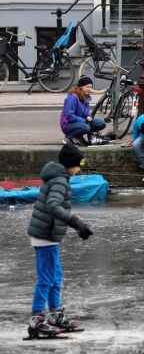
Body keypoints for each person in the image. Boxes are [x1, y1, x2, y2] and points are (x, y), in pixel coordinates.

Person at [27, 143, 93, 337]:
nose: (79, 169)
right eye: (78, 164)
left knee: (55, 276)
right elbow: (52, 206)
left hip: (49, 235)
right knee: (47, 278)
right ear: (69, 164)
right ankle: (36, 320)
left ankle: (55, 315)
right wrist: (76, 223)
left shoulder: (60, 178)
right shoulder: (59, 181)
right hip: (45, 235)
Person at [60, 76, 108, 146]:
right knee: (86, 128)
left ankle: (90, 137)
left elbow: (87, 110)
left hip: (81, 121)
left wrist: (88, 116)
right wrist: (84, 121)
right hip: (68, 124)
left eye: (90, 87)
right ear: (81, 87)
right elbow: (69, 115)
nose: (89, 89)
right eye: (87, 87)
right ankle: (69, 136)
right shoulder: (72, 97)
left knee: (102, 124)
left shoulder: (86, 96)